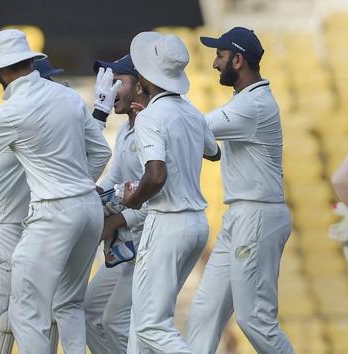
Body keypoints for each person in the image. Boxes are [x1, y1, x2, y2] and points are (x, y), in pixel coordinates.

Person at [0, 29, 111, 354]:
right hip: (88, 210)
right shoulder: (68, 97)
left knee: (25, 314)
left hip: (49, 214)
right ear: (30, 62)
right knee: (67, 306)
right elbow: (100, 153)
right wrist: (79, 185)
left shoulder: (9, 112)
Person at [186, 27, 296, 354]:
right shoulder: (245, 101)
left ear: (237, 59)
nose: (215, 64)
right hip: (241, 216)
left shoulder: (255, 105)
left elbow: (196, 128)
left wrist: (158, 103)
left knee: (254, 319)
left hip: (258, 216)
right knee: (204, 311)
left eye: (220, 56)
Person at [120, 32, 220, 353]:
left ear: (147, 76)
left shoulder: (150, 116)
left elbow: (156, 175)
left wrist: (134, 199)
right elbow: (214, 152)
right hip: (196, 225)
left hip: (168, 223)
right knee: (143, 319)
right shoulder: (191, 112)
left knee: (151, 325)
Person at [82, 54, 149, 354]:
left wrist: (114, 222)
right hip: (130, 247)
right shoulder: (124, 132)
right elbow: (111, 183)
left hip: (151, 242)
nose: (110, 90)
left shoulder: (151, 128)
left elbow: (159, 196)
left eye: (117, 81)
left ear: (139, 87)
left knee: (116, 321)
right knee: (89, 311)